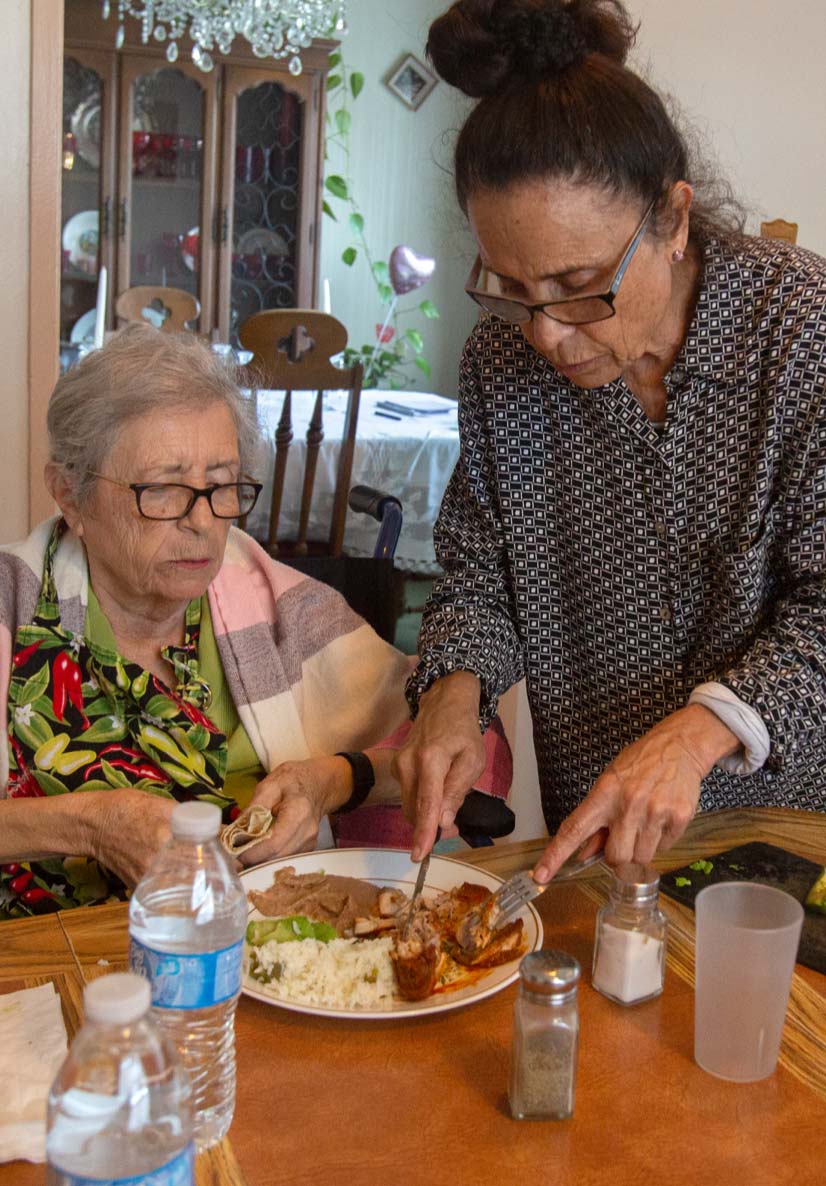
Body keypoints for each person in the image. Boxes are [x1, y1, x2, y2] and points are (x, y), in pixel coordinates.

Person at [395, 0, 826, 879]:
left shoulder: (802, 334)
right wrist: (452, 693)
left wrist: (704, 732)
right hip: (597, 848)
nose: (547, 332)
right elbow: (481, 577)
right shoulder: (499, 365)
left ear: (672, 220)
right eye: (511, 286)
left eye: (581, 283)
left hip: (791, 842)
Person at [0, 326, 510, 926]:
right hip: (38, 956)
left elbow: (455, 753)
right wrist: (88, 824)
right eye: (161, 490)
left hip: (256, 960)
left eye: (222, 485)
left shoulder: (278, 608)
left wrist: (330, 780)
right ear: (70, 496)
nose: (203, 523)